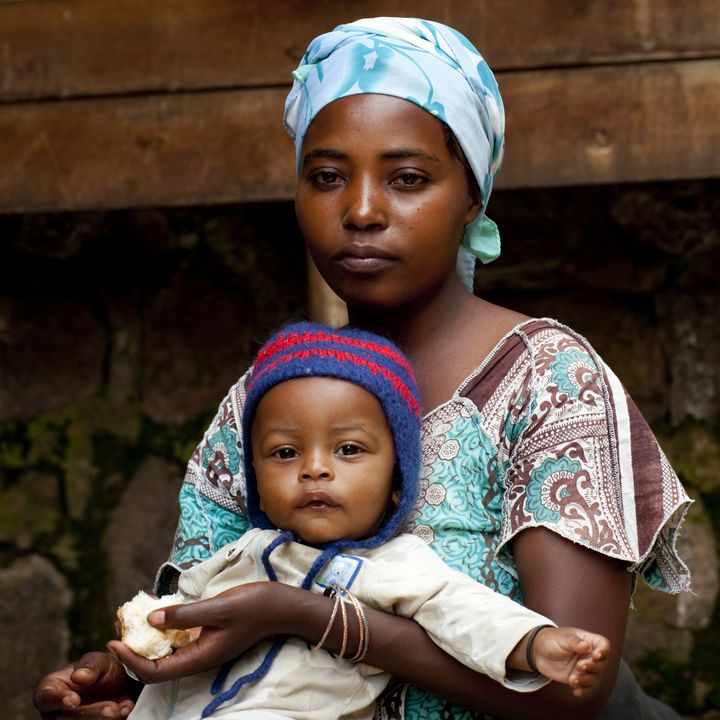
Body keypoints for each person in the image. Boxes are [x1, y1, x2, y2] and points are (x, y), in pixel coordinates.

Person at [33, 16, 691, 720]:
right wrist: (132, 680)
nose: (362, 210)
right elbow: (209, 617)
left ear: (472, 197)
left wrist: (309, 614)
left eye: (407, 178)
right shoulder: (263, 397)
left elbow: (569, 692)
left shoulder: (548, 381)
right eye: (326, 177)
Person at [126, 322, 611, 719]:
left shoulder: (392, 566)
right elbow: (181, 616)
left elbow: (468, 614)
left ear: (398, 481)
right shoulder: (244, 549)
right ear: (255, 482)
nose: (314, 468)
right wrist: (123, 661)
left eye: (349, 449)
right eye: (286, 452)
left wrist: (535, 645)